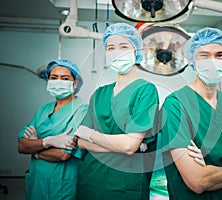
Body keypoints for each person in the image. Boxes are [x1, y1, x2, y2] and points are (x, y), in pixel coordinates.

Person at [160, 27, 222, 200]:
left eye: (220, 55)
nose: (213, 61)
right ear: (192, 60)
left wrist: (210, 174)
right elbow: (197, 182)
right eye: (204, 55)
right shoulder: (176, 104)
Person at [74, 23, 159, 200]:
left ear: (136, 51)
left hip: (126, 183)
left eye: (124, 46)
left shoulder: (146, 90)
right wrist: (117, 143)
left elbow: (128, 146)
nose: (117, 52)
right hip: (91, 179)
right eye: (111, 48)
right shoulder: (99, 94)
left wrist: (90, 134)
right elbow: (80, 143)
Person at [17, 59, 88, 200]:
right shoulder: (44, 109)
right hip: (37, 181)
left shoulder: (82, 110)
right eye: (53, 78)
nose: (58, 81)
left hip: (60, 185)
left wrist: (35, 149)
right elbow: (21, 146)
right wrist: (48, 141)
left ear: (75, 84)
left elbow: (63, 155)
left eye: (65, 78)